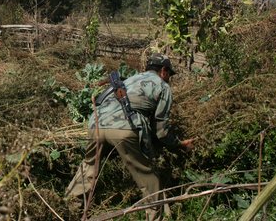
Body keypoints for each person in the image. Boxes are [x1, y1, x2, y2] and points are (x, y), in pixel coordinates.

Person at [65, 53, 195, 220]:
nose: (169, 78)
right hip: (124, 128)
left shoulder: (129, 80)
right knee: (147, 175)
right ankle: (155, 217)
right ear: (164, 70)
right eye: (169, 74)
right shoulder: (162, 87)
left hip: (96, 124)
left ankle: (67, 208)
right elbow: (162, 131)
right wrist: (179, 144)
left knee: (89, 167)